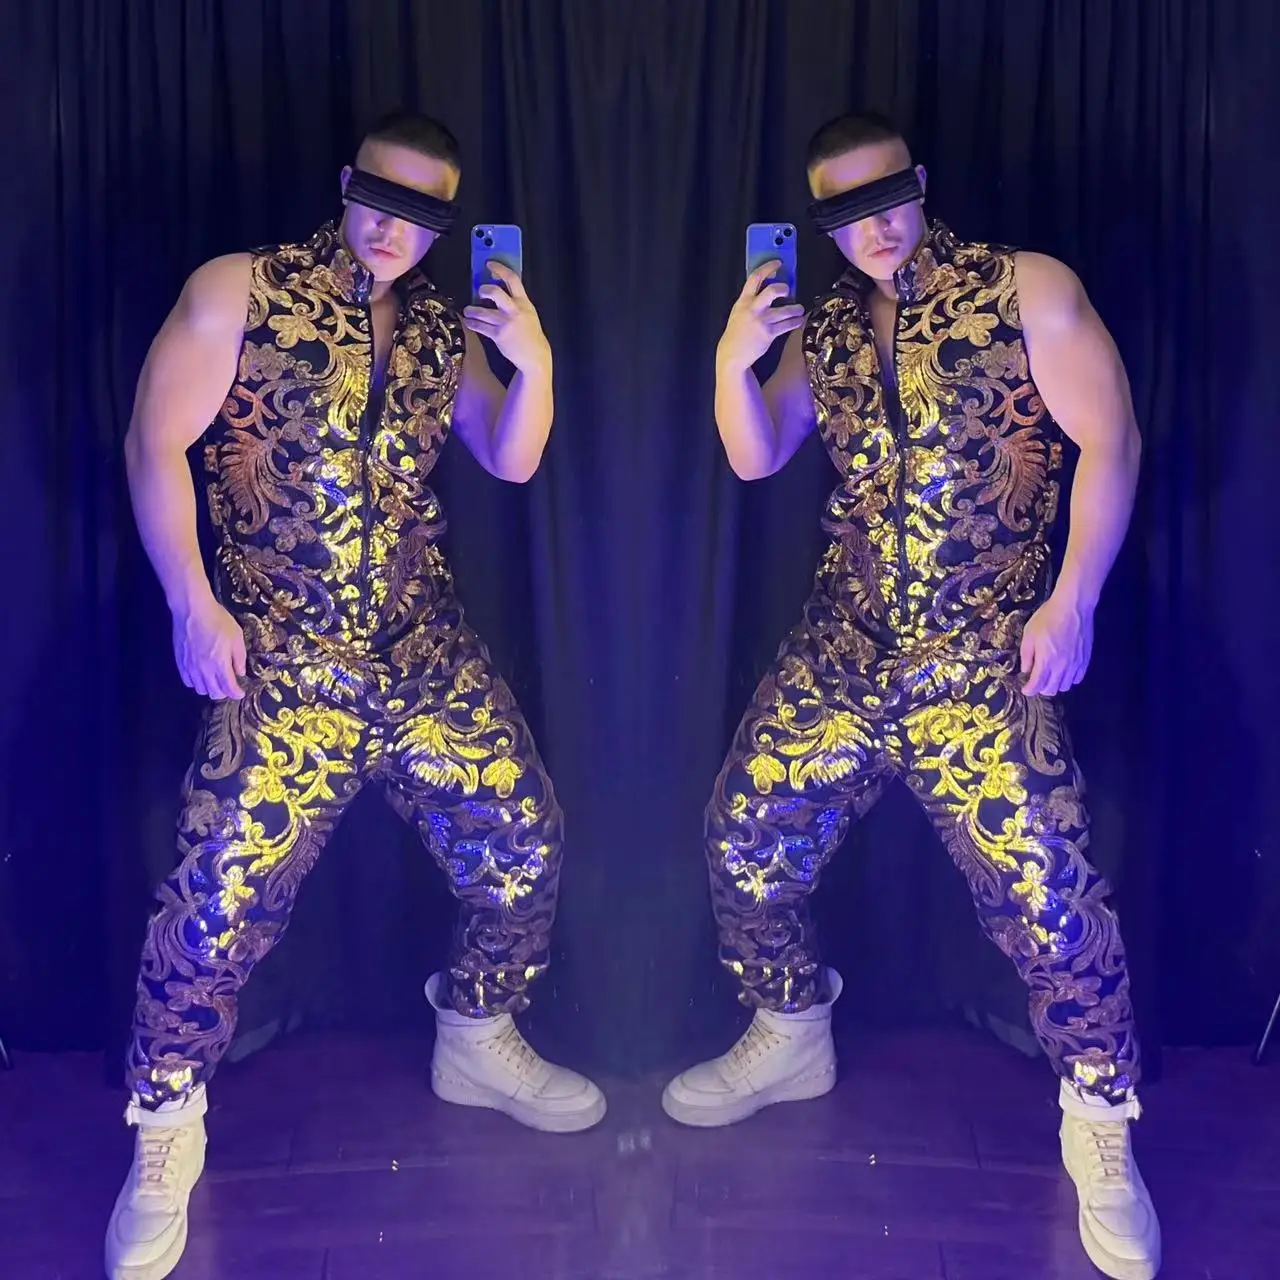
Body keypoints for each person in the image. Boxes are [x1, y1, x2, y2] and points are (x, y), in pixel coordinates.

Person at [107, 110, 605, 1280]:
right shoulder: (240, 290)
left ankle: (474, 1031)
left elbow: (509, 456)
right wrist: (192, 602)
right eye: (380, 199)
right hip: (283, 655)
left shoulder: (438, 327)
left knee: (525, 842)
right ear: (346, 184)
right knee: (213, 899)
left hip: (420, 646)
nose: (392, 229)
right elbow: (151, 441)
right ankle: (164, 1122)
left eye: (422, 212)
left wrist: (530, 361)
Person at [662, 111, 1159, 1280]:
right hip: (846, 645)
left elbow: (1112, 439)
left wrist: (1071, 598)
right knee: (741, 838)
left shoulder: (1024, 289)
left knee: (1052, 897)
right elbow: (756, 453)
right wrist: (734, 359)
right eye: (843, 211)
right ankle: (791, 1026)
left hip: (981, 658)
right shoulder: (826, 325)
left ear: (919, 184)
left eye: (885, 197)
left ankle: (1098, 1116)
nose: (874, 227)